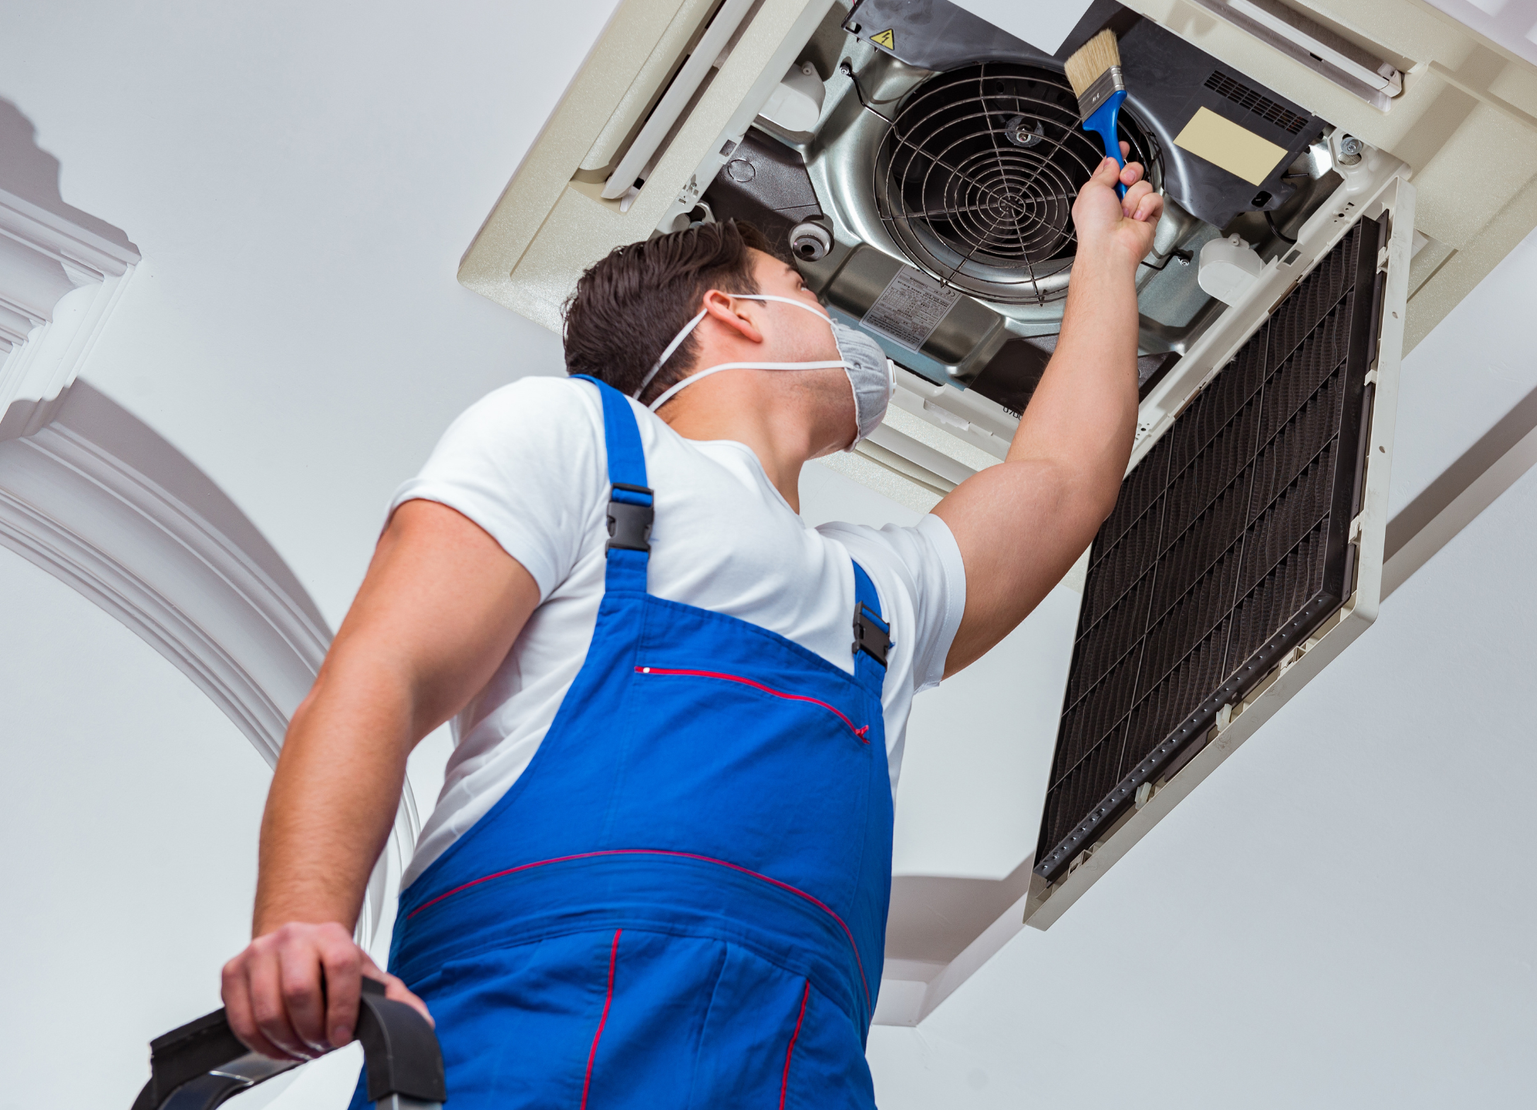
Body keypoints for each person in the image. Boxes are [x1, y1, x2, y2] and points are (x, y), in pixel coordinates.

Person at [219, 151, 1163, 1107]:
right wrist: (302, 921)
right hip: (536, 1023)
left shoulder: (878, 594)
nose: (835, 325)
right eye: (802, 286)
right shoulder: (579, 436)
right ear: (733, 311)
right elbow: (386, 672)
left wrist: (1106, 257)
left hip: (798, 1065)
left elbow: (1063, 482)